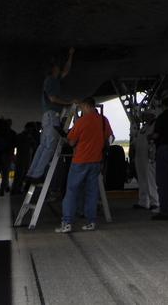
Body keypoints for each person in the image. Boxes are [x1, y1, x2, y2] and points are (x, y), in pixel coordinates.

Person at [55, 98, 113, 233]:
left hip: (80, 161)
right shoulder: (104, 121)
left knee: (71, 192)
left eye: (81, 108)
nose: (81, 110)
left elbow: (71, 142)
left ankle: (67, 222)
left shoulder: (82, 121)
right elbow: (110, 138)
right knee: (92, 192)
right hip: (96, 161)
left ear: (87, 106)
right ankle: (91, 222)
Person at [28, 48, 75, 182]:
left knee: (43, 146)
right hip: (51, 116)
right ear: (53, 69)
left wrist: (70, 55)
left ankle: (32, 173)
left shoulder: (54, 80)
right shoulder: (50, 81)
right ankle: (37, 175)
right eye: (57, 67)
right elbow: (53, 98)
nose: (60, 69)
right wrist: (68, 103)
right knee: (49, 147)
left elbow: (66, 70)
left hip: (48, 116)